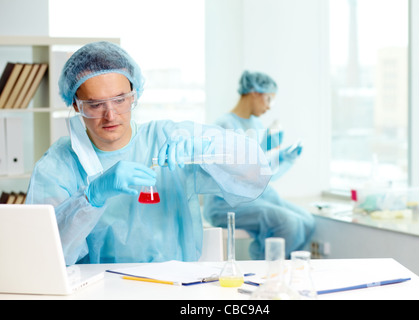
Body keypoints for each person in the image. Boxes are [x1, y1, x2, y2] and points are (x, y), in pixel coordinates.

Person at [25, 42, 271, 265]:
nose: (110, 115)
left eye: (120, 99)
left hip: (175, 286)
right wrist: (91, 197)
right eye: (96, 104)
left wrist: (208, 150)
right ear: (76, 105)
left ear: (135, 95)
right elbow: (41, 255)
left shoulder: (168, 137)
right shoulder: (58, 164)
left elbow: (255, 173)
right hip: (97, 290)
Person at [203, 70, 315, 260]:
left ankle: (278, 269)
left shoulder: (257, 125)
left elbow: (262, 172)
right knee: (289, 223)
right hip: (226, 202)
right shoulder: (224, 125)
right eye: (269, 99)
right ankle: (263, 270)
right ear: (254, 92)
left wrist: (283, 157)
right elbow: (230, 174)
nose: (269, 107)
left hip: (256, 196)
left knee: (308, 221)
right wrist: (258, 157)